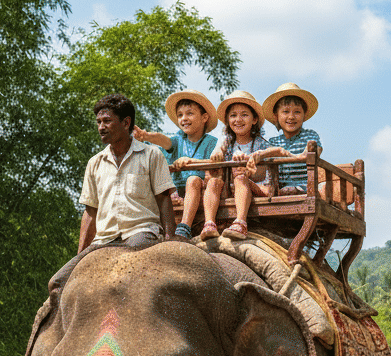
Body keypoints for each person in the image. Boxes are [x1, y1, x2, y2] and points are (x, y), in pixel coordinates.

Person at [78, 93, 176, 251]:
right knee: (61, 276)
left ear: (126, 123)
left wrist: (170, 240)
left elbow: (164, 199)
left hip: (141, 233)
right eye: (99, 122)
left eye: (107, 121)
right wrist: (79, 256)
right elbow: (90, 211)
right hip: (104, 239)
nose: (101, 127)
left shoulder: (151, 154)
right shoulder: (94, 163)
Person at [133, 90, 219, 240]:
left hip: (200, 190)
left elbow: (215, 164)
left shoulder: (212, 142)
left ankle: (184, 227)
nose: (184, 118)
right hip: (176, 192)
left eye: (190, 113)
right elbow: (164, 141)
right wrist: (146, 136)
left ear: (204, 117)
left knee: (193, 180)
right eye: (180, 115)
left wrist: (191, 162)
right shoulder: (178, 140)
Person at [201, 91, 275, 241]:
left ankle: (241, 221)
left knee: (240, 177)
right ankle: (209, 223)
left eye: (244, 115)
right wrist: (217, 152)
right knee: (214, 180)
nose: (238, 120)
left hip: (257, 186)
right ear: (228, 120)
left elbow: (261, 174)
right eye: (233, 115)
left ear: (254, 119)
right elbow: (218, 150)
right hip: (230, 189)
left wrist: (247, 163)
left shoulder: (262, 144)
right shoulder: (227, 141)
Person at [262, 82, 322, 194]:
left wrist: (303, 155)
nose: (291, 117)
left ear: (304, 115)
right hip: (279, 188)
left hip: (305, 187)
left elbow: (315, 151)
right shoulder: (273, 142)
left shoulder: (310, 135)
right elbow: (268, 169)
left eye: (297, 112)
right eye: (285, 111)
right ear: (276, 115)